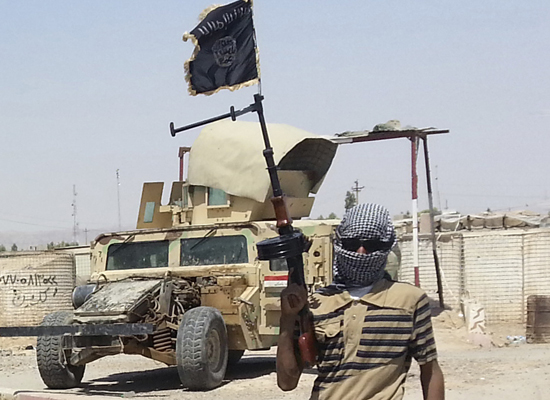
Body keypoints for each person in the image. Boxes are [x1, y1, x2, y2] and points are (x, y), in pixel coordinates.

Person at [277, 203, 445, 400]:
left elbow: (430, 369)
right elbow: (287, 383)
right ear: (339, 244)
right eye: (352, 243)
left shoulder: (409, 301)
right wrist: (287, 320)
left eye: (372, 245)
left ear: (386, 246)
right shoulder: (317, 303)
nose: (361, 252)